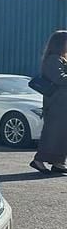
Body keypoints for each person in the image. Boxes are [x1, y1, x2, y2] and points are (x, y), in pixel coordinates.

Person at [31, 30, 67, 174]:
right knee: (52, 134)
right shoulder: (53, 59)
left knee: (62, 134)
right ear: (60, 43)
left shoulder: (60, 59)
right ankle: (38, 160)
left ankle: (58, 162)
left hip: (62, 104)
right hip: (57, 105)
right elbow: (59, 78)